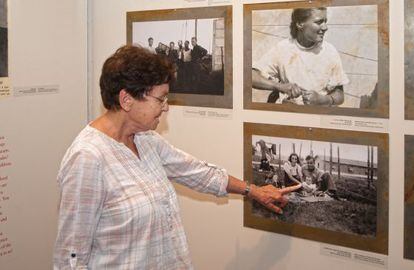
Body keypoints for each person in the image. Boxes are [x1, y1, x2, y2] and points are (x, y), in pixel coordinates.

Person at [53, 45, 301, 269]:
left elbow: (199, 173)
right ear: (127, 99)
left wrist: (253, 190)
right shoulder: (88, 158)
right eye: (160, 99)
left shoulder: (145, 140)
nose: (166, 107)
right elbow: (71, 258)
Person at [252, 7, 349, 106]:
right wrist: (279, 86)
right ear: (299, 24)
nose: (325, 27)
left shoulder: (329, 51)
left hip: (318, 116)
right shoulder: (283, 48)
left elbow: (339, 95)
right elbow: (251, 76)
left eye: (325, 21)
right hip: (288, 114)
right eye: (319, 22)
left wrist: (323, 100)